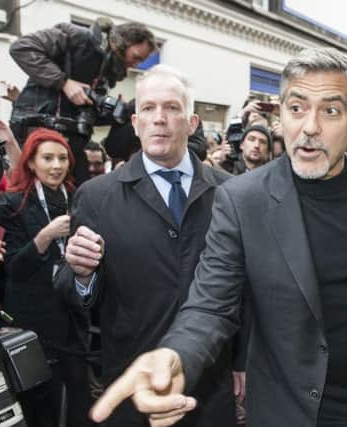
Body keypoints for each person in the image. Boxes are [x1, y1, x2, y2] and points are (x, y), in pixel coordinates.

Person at [89, 47, 347, 427]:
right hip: (284, 413)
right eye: (297, 108)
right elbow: (210, 305)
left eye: (330, 111)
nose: (310, 127)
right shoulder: (242, 199)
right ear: (280, 117)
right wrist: (176, 356)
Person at [56, 65, 235, 426]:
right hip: (131, 382)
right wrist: (81, 273)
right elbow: (73, 295)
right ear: (135, 123)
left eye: (171, 108)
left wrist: (245, 363)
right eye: (149, 109)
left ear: (192, 122)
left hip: (211, 385)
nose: (159, 119)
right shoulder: (96, 196)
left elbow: (246, 290)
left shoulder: (231, 192)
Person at [0, 128, 92, 427]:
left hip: (72, 314)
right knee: (38, 400)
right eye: (47, 158)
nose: (56, 166)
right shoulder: (12, 204)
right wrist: (45, 237)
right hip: (30, 318)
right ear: (32, 163)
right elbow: (12, 268)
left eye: (63, 158)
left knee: (79, 394)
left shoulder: (80, 198)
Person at [9, 19, 155, 184]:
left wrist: (125, 110)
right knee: (34, 193)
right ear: (124, 42)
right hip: (38, 130)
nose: (135, 64)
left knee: (81, 195)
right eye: (136, 57)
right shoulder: (76, 37)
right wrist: (63, 83)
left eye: (140, 61)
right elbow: (22, 47)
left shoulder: (108, 72)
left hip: (71, 141)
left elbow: (90, 111)